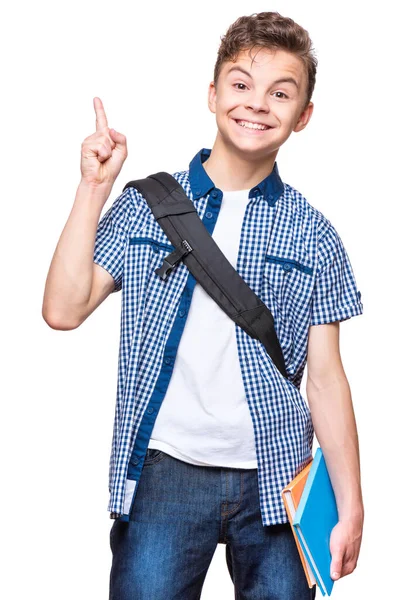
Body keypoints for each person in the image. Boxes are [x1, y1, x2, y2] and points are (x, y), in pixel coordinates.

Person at [42, 10, 364, 600]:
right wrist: (93, 188)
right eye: (241, 85)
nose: (257, 104)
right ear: (212, 94)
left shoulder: (316, 234)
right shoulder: (148, 205)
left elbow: (325, 380)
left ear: (304, 116)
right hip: (165, 471)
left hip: (279, 479)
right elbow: (64, 309)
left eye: (280, 93)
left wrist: (351, 504)